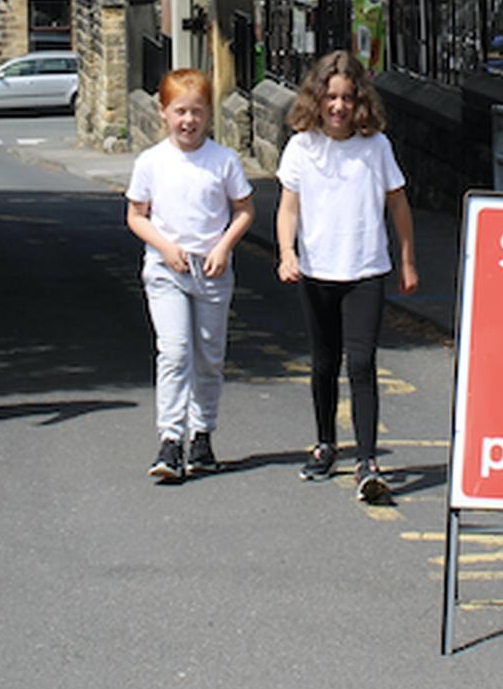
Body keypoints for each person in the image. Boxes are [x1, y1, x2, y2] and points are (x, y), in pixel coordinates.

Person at [276, 49, 417, 503]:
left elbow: (398, 204)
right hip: (317, 270)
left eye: (348, 98)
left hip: (365, 269)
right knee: (323, 363)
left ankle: (368, 460)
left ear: (361, 102)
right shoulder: (301, 146)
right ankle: (324, 445)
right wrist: (285, 252)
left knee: (361, 364)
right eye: (330, 97)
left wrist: (409, 260)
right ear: (316, 98)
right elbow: (288, 207)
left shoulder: (375, 146)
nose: (338, 107)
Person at [126, 68, 255, 484]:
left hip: (212, 271)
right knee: (175, 351)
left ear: (208, 115)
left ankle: (202, 436)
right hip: (167, 269)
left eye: (196, 112)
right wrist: (164, 247)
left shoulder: (223, 161)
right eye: (180, 111)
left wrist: (223, 246)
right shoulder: (152, 163)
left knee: (209, 356)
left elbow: (245, 210)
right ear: (163, 113)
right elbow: (136, 216)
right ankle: (170, 439)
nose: (188, 120)